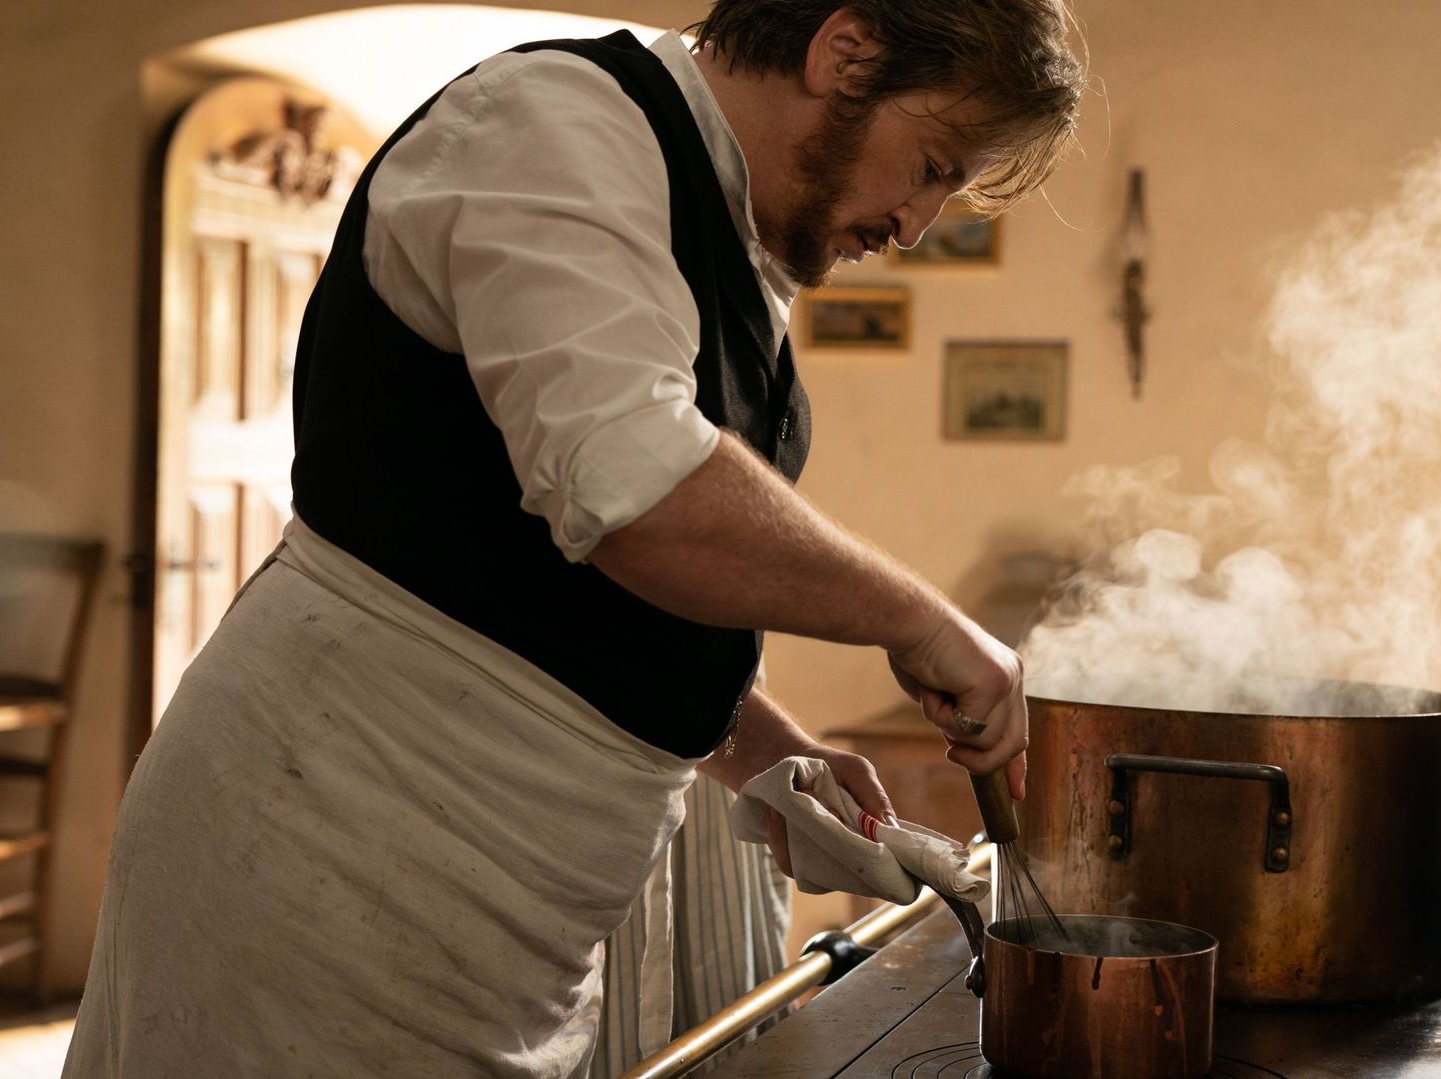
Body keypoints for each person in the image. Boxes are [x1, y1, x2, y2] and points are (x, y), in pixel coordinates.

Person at [61, 2, 1084, 1076]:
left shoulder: (723, 236)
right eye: (930, 165)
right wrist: (922, 622)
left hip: (489, 915)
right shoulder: (550, 127)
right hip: (326, 851)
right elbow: (638, 493)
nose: (917, 223)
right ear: (846, 52)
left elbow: (554, 584)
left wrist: (757, 743)